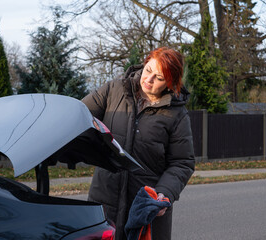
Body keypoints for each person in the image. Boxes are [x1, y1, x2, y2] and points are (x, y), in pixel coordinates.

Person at [82, 47, 195, 240]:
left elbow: (182, 162)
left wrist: (163, 193)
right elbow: (79, 117)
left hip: (146, 208)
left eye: (159, 78)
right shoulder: (114, 90)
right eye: (148, 70)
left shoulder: (177, 115)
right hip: (104, 201)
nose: (149, 80)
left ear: (170, 82)